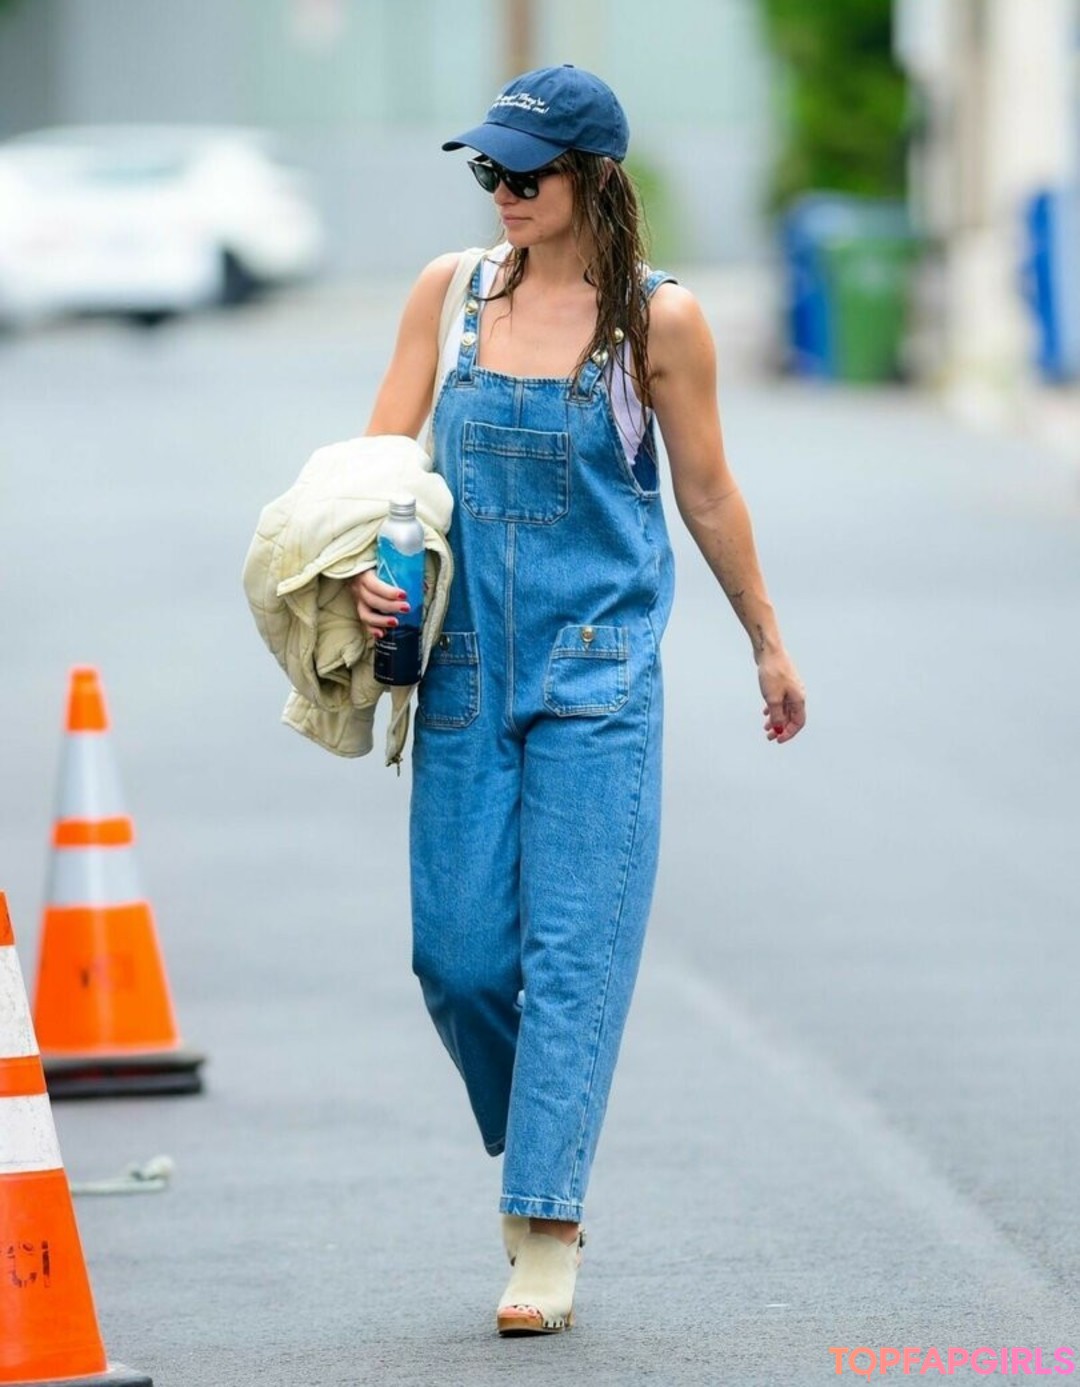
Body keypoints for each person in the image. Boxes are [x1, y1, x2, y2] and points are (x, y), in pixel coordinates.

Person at [350, 64, 806, 1336]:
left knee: (571, 957)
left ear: (594, 177)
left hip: (597, 673)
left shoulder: (660, 321)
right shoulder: (449, 297)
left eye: (526, 172)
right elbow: (380, 471)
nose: (502, 189)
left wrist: (766, 640)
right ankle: (543, 1138)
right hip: (460, 666)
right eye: (487, 168)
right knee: (457, 960)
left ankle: (544, 1223)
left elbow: (706, 492)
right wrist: (363, 578)